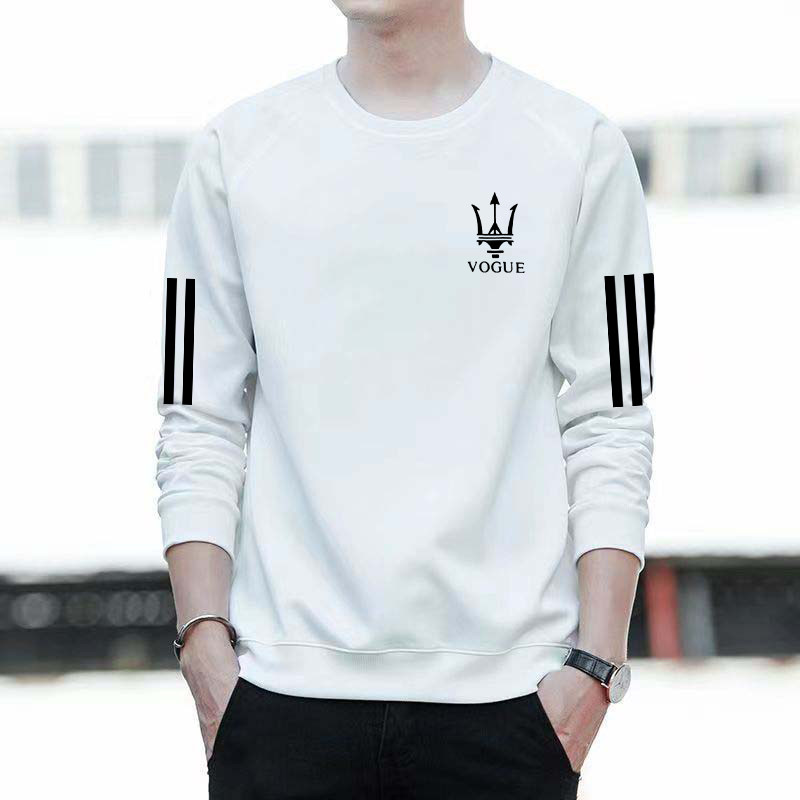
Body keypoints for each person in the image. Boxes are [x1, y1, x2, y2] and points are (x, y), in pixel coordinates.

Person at [156, 1, 656, 797]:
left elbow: (612, 419)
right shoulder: (236, 151)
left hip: (511, 707)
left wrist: (596, 666)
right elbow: (198, 417)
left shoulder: (575, 146)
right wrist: (204, 649)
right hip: (281, 700)